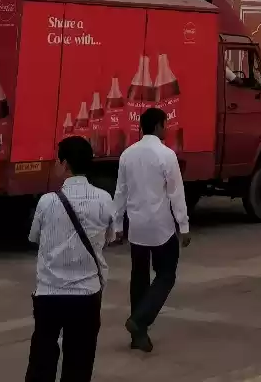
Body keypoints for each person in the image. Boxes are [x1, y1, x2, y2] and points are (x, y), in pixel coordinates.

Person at [25, 135, 113, 382]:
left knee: (42, 360)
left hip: (49, 294)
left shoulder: (47, 202)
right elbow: (109, 238)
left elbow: (34, 237)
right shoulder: (105, 200)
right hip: (86, 295)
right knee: (79, 362)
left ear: (64, 164)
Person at [112, 106, 190, 354]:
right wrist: (184, 225)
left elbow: (120, 192)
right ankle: (140, 319)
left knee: (139, 277)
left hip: (137, 227)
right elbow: (176, 193)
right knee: (166, 274)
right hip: (161, 227)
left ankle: (139, 335)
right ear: (157, 126)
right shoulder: (166, 155)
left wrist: (116, 225)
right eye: (165, 124)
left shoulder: (127, 155)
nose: (167, 129)